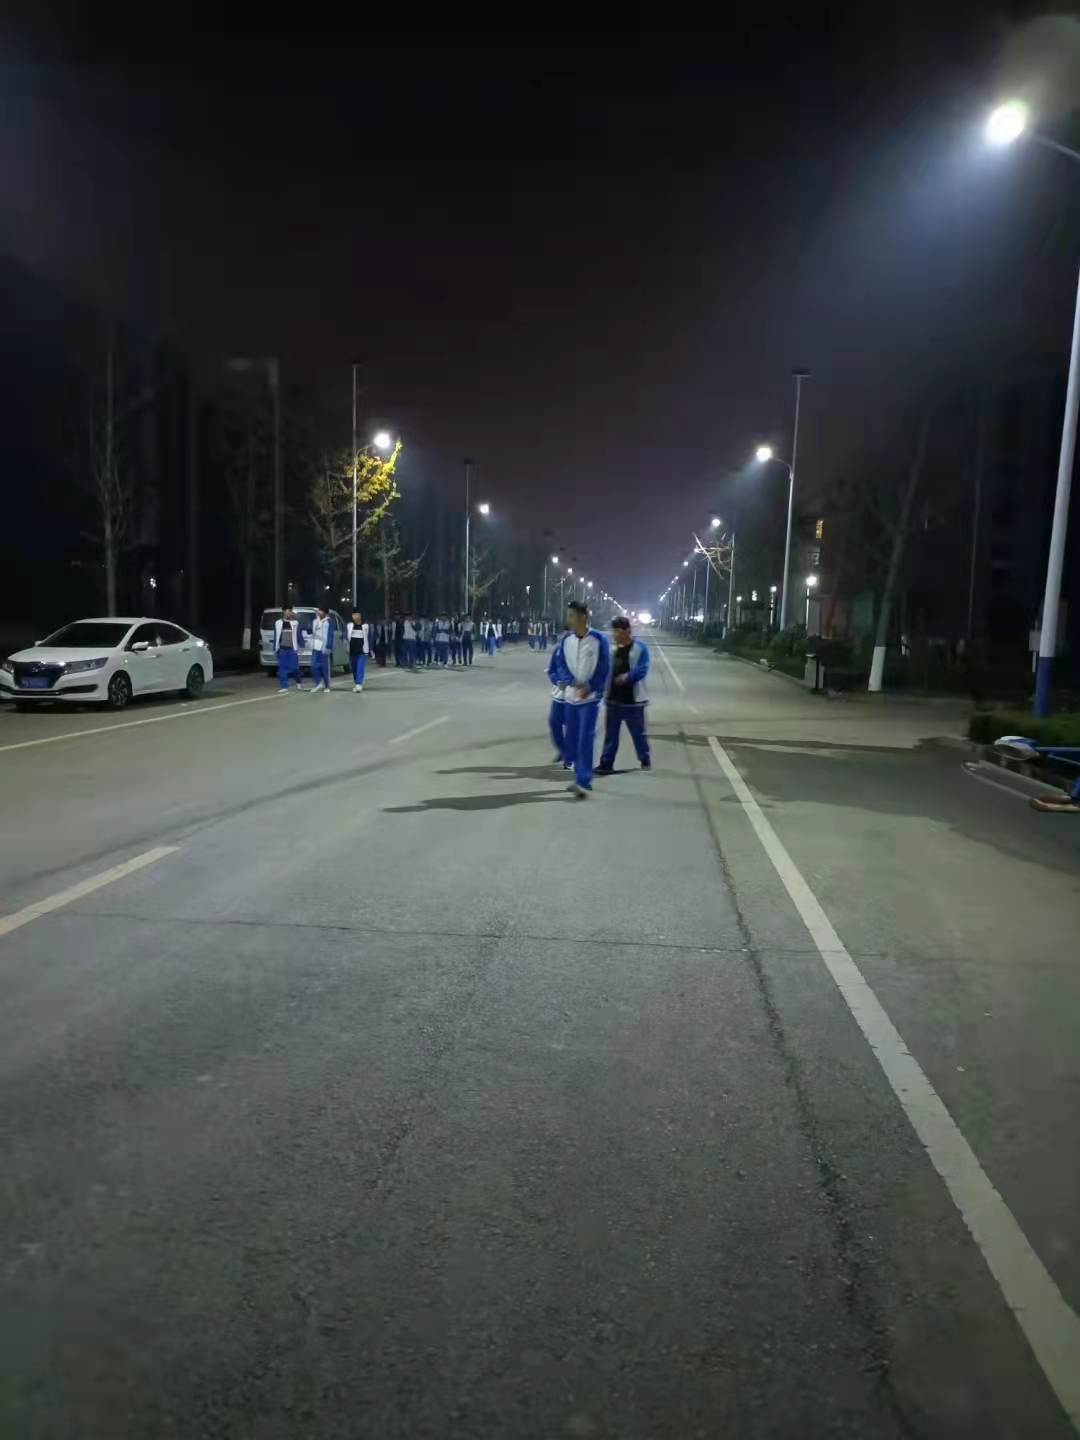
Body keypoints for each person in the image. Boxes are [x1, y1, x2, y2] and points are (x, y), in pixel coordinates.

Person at [562, 600, 610, 797]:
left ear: (584, 617)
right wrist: (569, 681)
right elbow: (561, 664)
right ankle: (578, 772)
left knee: (585, 738)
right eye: (568, 616)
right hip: (570, 698)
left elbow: (604, 669)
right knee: (571, 739)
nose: (569, 620)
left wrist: (589, 687)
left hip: (590, 700)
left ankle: (583, 780)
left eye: (572, 616)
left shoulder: (599, 639)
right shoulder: (567, 640)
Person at [597, 616, 651, 772]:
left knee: (638, 734)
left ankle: (645, 759)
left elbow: (642, 669)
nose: (616, 636)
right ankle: (606, 764)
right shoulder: (612, 650)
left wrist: (627, 677)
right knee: (611, 735)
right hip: (613, 700)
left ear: (628, 631)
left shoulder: (640, 648)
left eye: (619, 632)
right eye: (614, 632)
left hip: (633, 702)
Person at [546, 626, 572, 767]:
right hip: (559, 695)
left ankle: (569, 758)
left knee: (571, 727)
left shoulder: (580, 650)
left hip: (574, 696)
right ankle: (563, 750)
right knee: (554, 722)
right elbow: (551, 670)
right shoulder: (558, 649)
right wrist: (557, 681)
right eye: (566, 632)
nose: (567, 634)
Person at [274, 604, 305, 694]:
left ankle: (298, 682)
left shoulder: (295, 623)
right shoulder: (278, 623)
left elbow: (299, 635)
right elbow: (276, 636)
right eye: (288, 611)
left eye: (291, 611)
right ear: (283, 612)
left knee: (295, 668)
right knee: (282, 669)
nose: (289, 613)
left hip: (292, 649)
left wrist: (302, 645)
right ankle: (284, 687)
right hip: (282, 649)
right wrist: (275, 648)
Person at [310, 605, 334, 694]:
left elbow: (330, 635)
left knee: (325, 668)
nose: (319, 612)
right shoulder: (314, 621)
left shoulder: (328, 622)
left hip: (324, 648)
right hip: (315, 647)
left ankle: (327, 686)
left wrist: (328, 646)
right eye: (319, 611)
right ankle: (318, 683)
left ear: (325, 613)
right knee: (314, 666)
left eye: (321, 611)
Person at [347, 608, 370, 692]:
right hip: (352, 651)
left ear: (360, 615)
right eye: (353, 615)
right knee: (354, 669)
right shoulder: (349, 625)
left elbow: (369, 638)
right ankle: (357, 682)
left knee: (360, 667)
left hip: (362, 651)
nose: (355, 616)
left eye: (356, 614)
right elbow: (345, 636)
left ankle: (359, 684)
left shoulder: (365, 626)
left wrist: (370, 649)